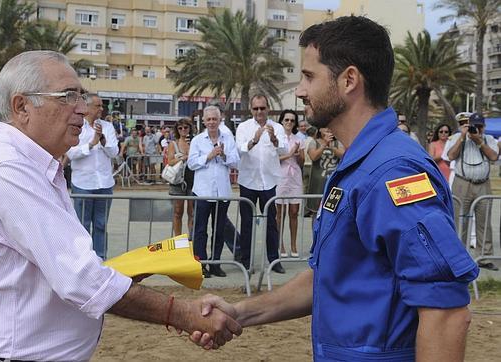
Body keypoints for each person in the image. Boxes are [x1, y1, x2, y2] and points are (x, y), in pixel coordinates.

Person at [192, 16, 478, 361]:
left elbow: (445, 311)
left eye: (309, 76)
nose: (299, 90)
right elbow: (326, 279)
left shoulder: (393, 172)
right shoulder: (360, 165)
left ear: (349, 80)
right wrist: (239, 313)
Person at [0, 50, 241, 361]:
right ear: (22, 106)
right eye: (68, 96)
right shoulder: (8, 171)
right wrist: (184, 313)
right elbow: (81, 280)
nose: (82, 109)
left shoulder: (30, 167)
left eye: (81, 97)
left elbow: (59, 269)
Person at [235, 94, 286, 274]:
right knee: (247, 223)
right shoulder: (243, 127)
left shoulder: (277, 127)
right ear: (251, 110)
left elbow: (284, 149)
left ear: (268, 108)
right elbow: (239, 150)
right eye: (256, 108)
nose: (259, 112)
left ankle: (274, 260)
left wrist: (274, 140)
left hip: (269, 181)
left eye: (262, 108)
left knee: (271, 223)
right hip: (248, 181)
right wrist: (254, 140)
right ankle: (246, 262)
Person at [188, 106, 239, 278]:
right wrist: (208, 156)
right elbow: (191, 163)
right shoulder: (197, 140)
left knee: (219, 230)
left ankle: (215, 263)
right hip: (202, 191)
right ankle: (200, 263)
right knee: (200, 230)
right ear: (203, 121)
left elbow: (235, 162)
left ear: (219, 120)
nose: (211, 122)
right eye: (208, 119)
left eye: (214, 119)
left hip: (222, 192)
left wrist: (224, 156)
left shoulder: (228, 138)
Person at [65, 93, 118, 260]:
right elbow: (71, 153)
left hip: (104, 184)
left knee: (101, 225)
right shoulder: (75, 126)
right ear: (86, 107)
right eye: (98, 106)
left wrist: (102, 140)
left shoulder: (108, 127)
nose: (102, 109)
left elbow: (114, 152)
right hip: (83, 184)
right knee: (82, 226)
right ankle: (84, 260)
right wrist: (90, 144)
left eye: (102, 106)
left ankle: (101, 259)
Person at [445, 112, 499, 271]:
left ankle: (485, 256)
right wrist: (462, 137)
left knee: (484, 221)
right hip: (462, 182)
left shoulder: (489, 139)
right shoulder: (457, 138)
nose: (477, 129)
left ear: (484, 126)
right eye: (474, 126)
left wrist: (479, 141)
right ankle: (458, 256)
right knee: (459, 220)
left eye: (480, 126)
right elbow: (450, 156)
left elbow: (494, 157)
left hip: (483, 183)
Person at [275, 109, 304, 258]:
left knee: (294, 211)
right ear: (281, 121)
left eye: (292, 120)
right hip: (281, 175)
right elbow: (273, 159)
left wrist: (298, 155)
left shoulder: (299, 138)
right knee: (280, 213)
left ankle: (293, 244)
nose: (289, 123)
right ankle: (280, 245)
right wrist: (289, 154)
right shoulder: (277, 138)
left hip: (295, 176)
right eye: (286, 120)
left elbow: (302, 161)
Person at [305, 127, 344, 216]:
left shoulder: (338, 142)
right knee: (315, 212)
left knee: (332, 212)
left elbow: (344, 155)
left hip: (334, 183)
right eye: (325, 127)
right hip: (317, 184)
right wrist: (324, 145)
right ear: (320, 129)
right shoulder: (314, 142)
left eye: (329, 126)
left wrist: (332, 147)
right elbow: (313, 157)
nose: (328, 128)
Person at [167, 118, 195, 236]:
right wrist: (183, 157)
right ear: (177, 130)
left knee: (192, 212)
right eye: (180, 128)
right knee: (178, 212)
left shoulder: (195, 142)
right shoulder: (173, 144)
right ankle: (178, 239)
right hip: (178, 180)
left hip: (193, 179)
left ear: (190, 128)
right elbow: (170, 161)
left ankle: (191, 239)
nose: (183, 130)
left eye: (186, 127)